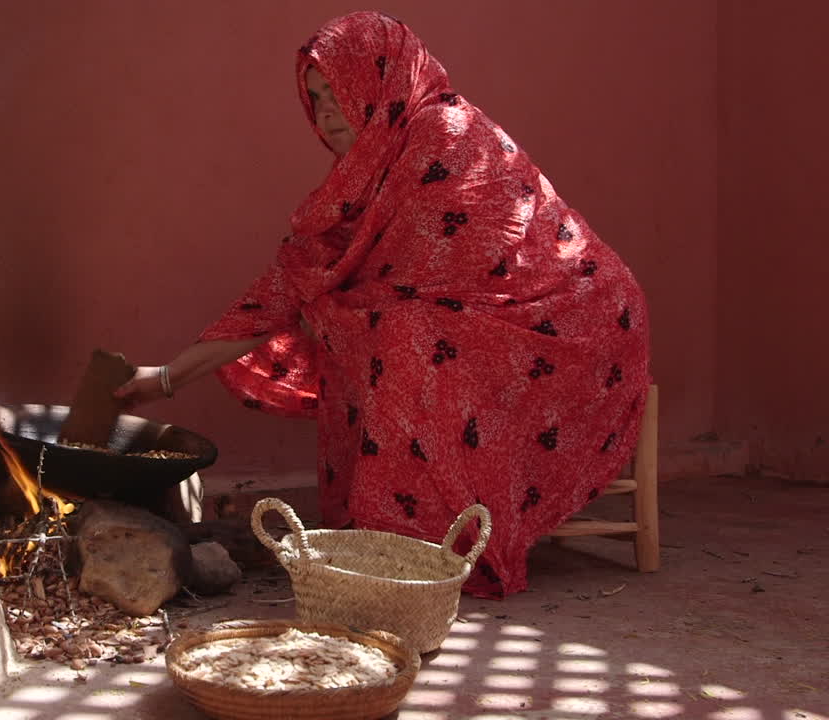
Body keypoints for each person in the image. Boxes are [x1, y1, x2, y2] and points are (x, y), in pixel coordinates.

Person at [114, 10, 650, 598]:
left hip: (574, 320)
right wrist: (164, 378)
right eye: (314, 98)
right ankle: (396, 539)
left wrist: (330, 310)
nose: (323, 113)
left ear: (375, 82)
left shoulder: (441, 135)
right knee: (380, 329)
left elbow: (420, 280)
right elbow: (293, 284)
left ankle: (416, 547)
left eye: (337, 93)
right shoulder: (371, 166)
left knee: (398, 336)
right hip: (483, 319)